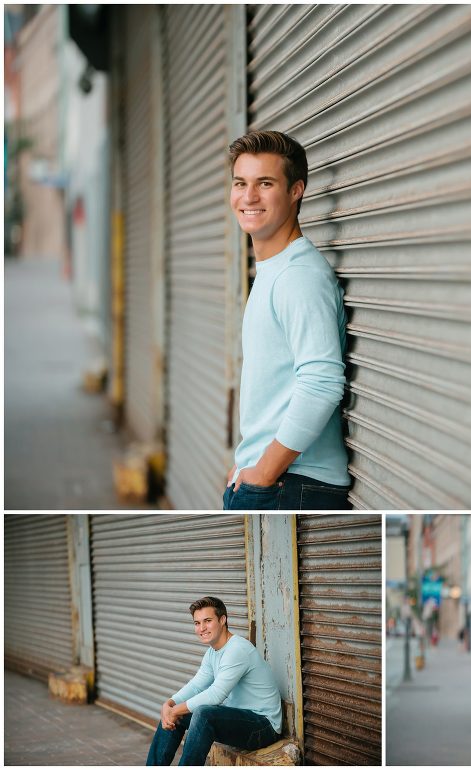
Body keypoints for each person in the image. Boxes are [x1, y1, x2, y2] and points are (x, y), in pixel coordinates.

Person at [223, 130, 352, 510]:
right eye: (240, 183)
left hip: (292, 482)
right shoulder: (274, 271)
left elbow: (323, 381)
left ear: (296, 191)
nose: (248, 197)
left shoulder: (299, 275)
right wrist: (247, 464)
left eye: (265, 183)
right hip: (278, 480)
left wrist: (263, 471)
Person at [145, 596, 282, 766]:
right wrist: (170, 704)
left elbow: (216, 694)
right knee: (175, 712)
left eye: (207, 621)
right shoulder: (213, 652)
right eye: (197, 623)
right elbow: (196, 686)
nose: (201, 628)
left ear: (222, 619)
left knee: (204, 714)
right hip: (239, 720)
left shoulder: (237, 649)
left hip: (263, 727)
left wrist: (175, 710)